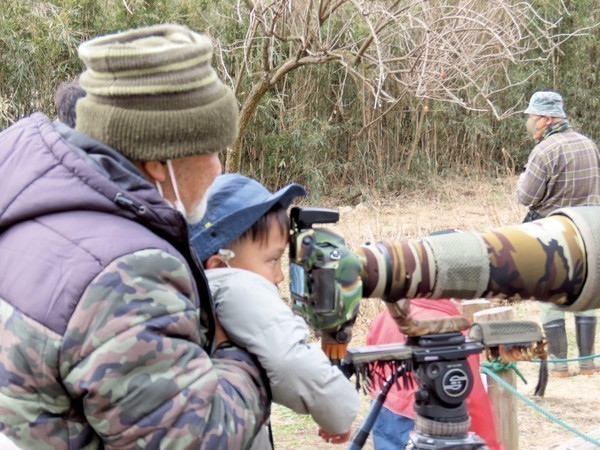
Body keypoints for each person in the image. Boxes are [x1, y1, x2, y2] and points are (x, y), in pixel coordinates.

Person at [0, 24, 270, 449]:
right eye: (213, 149)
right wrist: (243, 348)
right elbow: (199, 440)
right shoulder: (128, 273)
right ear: (160, 160)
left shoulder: (30, 201)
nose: (220, 168)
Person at [190, 174, 361, 448]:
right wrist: (339, 413)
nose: (280, 276)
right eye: (272, 260)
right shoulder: (235, 287)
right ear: (220, 264)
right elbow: (290, 361)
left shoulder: (198, 295)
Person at [516, 90, 598, 376]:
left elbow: (525, 196)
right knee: (586, 291)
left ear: (547, 119)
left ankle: (561, 365)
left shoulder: (545, 150)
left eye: (532, 117)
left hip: (552, 232)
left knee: (551, 292)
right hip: (588, 232)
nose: (530, 122)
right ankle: (588, 362)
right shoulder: (589, 145)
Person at [366, 298, 503, 450]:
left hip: (385, 417)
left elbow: (373, 373)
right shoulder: (450, 329)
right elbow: (469, 396)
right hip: (430, 427)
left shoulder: (386, 317)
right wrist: (491, 445)